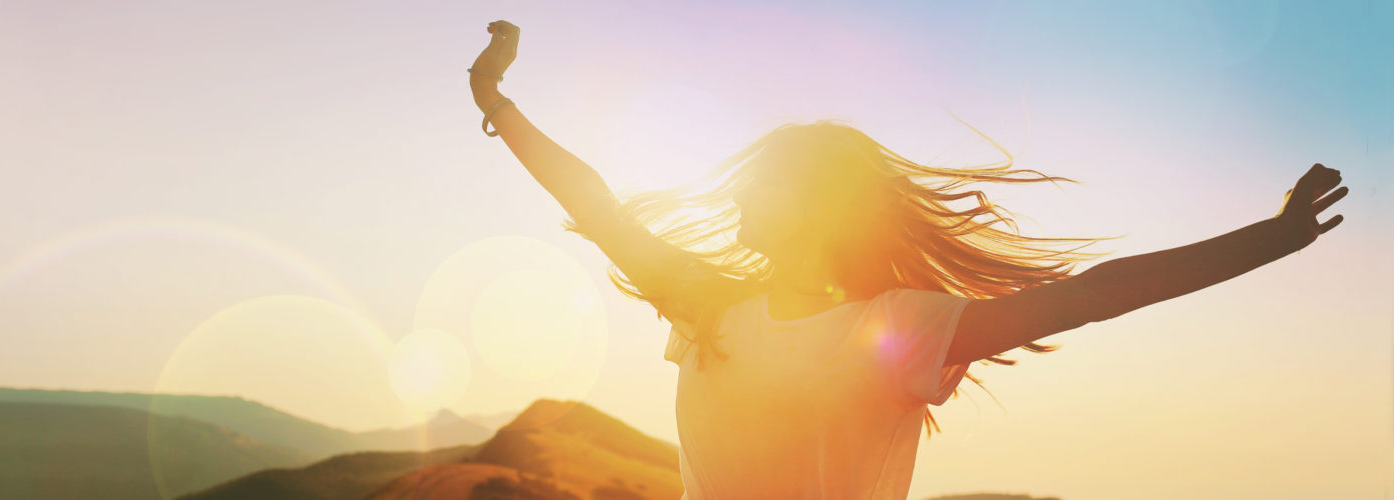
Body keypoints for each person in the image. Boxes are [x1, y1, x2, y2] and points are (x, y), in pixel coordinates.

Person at [467, 20, 1349, 500]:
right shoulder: (707, 304)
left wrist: (1271, 237)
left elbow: (1093, 294)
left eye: (761, 183)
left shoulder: (898, 330)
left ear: (815, 205)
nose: (737, 197)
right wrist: (497, 103)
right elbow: (592, 200)